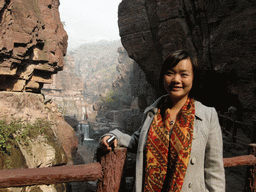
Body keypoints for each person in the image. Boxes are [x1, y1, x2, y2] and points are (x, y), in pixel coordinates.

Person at [100, 50, 225, 192]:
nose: (176, 80)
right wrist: (114, 135)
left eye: (184, 74)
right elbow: (138, 140)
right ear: (163, 77)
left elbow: (214, 170)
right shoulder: (152, 113)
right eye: (170, 73)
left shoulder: (208, 116)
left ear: (193, 78)